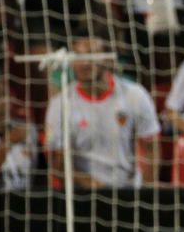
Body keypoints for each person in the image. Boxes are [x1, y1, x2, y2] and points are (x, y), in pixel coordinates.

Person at [45, 27, 160, 188]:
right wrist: (94, 187)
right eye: (78, 56)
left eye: (92, 54)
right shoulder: (60, 104)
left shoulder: (135, 95)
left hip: (128, 191)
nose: (85, 63)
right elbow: (57, 162)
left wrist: (147, 193)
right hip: (84, 194)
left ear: (109, 59)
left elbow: (150, 147)